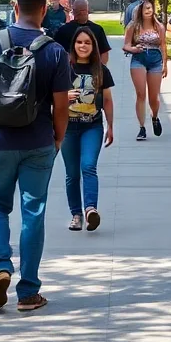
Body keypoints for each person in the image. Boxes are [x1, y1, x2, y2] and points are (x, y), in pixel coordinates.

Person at [0, 0, 73, 312]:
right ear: (45, 9)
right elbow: (61, 105)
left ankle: (0, 266)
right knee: (34, 212)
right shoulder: (55, 50)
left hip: (1, 141)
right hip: (39, 141)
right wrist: (58, 137)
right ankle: (28, 291)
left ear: (15, 7)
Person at [62, 26, 115, 231]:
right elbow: (51, 98)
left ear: (93, 46)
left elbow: (108, 101)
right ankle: (76, 214)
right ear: (73, 45)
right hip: (67, 127)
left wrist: (110, 126)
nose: (83, 46)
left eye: (87, 42)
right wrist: (63, 98)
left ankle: (90, 209)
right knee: (72, 174)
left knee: (88, 166)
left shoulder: (101, 70)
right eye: (79, 42)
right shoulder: (64, 69)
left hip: (92, 126)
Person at [123, 0, 167, 138]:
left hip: (155, 60)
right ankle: (141, 128)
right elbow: (126, 45)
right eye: (146, 8)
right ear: (140, 11)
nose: (149, 10)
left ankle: (154, 117)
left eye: (150, 8)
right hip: (138, 59)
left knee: (154, 97)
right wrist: (134, 49)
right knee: (141, 94)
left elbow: (163, 46)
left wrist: (165, 64)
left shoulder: (158, 26)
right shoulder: (133, 26)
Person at [53, 0, 111, 65]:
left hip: (75, 70)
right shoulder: (97, 29)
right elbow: (104, 53)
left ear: (74, 11)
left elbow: (104, 53)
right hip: (73, 70)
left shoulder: (64, 29)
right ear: (87, 10)